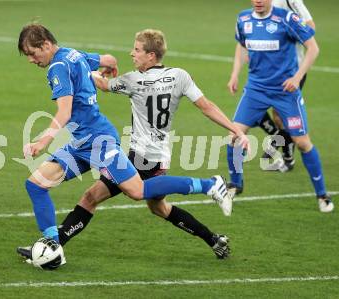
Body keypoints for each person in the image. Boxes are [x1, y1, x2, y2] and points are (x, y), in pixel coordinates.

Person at [16, 25, 249, 267]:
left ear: (151, 55)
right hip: (127, 149)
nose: (132, 54)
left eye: (137, 50)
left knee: (139, 195)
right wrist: (235, 129)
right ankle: (52, 247)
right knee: (64, 191)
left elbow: (94, 88)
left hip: (114, 146)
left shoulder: (131, 80)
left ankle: (210, 185)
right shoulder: (179, 75)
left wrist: (43, 140)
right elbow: (206, 106)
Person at [226, 0, 334, 212]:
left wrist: (297, 77)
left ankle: (322, 195)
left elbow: (313, 47)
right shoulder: (243, 18)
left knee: (302, 142)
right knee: (234, 136)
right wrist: (234, 74)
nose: (258, 0)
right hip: (256, 90)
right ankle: (235, 184)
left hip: (285, 92)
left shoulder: (287, 19)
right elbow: (241, 45)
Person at [258, 0, 316, 172]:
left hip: (291, 70)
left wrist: (288, 32)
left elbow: (311, 26)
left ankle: (288, 156)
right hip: (268, 68)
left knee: (280, 115)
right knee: (261, 111)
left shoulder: (290, 1)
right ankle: (279, 139)